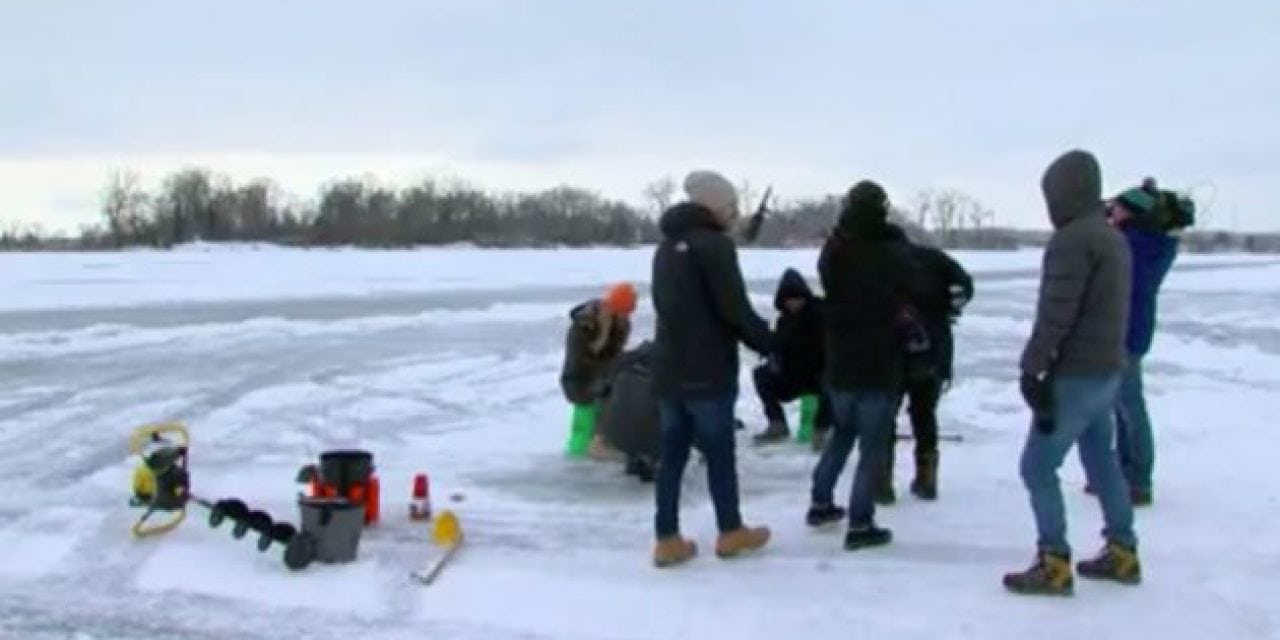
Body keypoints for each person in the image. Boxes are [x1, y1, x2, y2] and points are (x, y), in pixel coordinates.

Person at [1003, 149, 1141, 596]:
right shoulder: (1110, 236)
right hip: (1107, 372)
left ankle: (1053, 561)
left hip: (1077, 374)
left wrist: (1032, 368)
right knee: (1102, 461)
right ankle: (1123, 551)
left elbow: (1057, 314)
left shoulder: (1073, 241)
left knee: (1037, 466)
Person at [650, 169, 773, 567]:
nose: (734, 216)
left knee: (671, 457)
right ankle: (730, 531)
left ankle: (666, 538)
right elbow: (733, 309)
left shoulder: (666, 248)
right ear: (714, 207)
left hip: (669, 370)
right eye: (731, 208)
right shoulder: (716, 247)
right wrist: (770, 343)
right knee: (720, 454)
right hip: (709, 372)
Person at [806, 180, 920, 550]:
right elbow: (911, 281)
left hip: (841, 361)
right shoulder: (889, 250)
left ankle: (821, 502)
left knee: (842, 435)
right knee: (872, 447)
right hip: (879, 362)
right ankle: (860, 522)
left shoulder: (834, 249)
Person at [1105, 184, 1181, 506]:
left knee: (1129, 405)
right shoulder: (1148, 242)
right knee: (1121, 404)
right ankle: (1126, 473)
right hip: (1127, 329)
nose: (1112, 213)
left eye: (1119, 208)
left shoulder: (1137, 244)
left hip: (1125, 331)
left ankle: (1137, 478)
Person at [883, 242, 974, 501]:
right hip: (934, 349)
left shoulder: (885, 262)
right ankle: (927, 478)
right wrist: (951, 306)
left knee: (886, 414)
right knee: (924, 413)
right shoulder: (936, 260)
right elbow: (964, 288)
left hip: (893, 351)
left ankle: (882, 481)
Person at [751, 268, 834, 448]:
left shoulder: (820, 313)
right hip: (794, 376)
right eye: (789, 300)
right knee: (761, 375)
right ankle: (777, 423)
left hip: (819, 374)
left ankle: (821, 429)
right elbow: (778, 346)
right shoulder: (784, 320)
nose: (793, 303)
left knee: (831, 381)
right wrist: (773, 356)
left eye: (797, 298)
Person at [558, 283, 637, 459]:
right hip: (580, 381)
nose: (622, 317)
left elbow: (615, 355)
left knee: (601, 425)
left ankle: (595, 452)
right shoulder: (585, 324)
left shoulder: (622, 323)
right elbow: (581, 359)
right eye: (619, 312)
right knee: (583, 427)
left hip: (604, 383)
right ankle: (576, 461)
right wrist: (602, 333)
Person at [596, 340, 660, 482]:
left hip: (614, 433)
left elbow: (599, 392)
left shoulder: (621, 362)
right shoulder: (668, 367)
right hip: (651, 434)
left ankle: (634, 458)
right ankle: (653, 460)